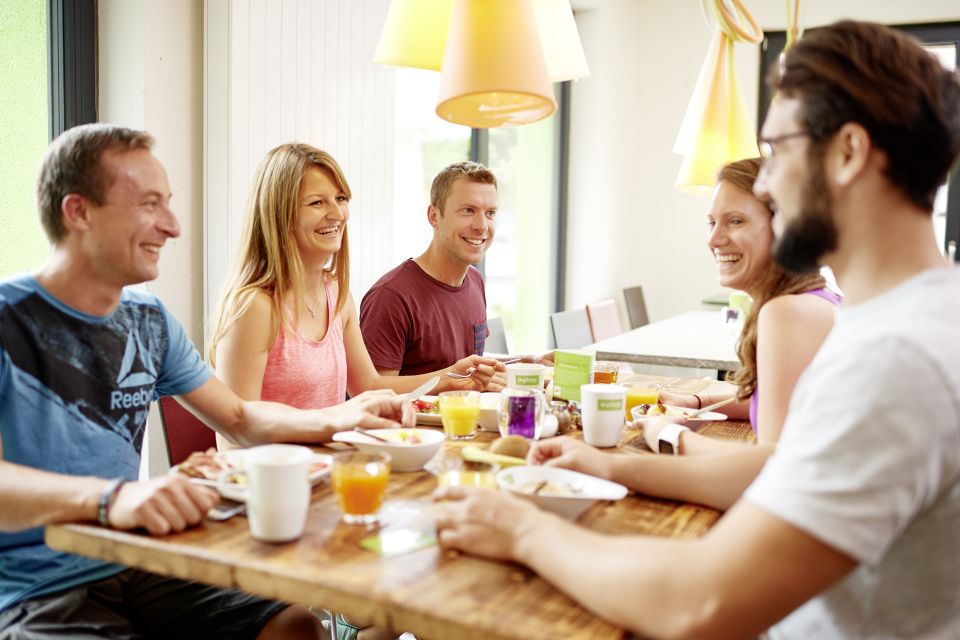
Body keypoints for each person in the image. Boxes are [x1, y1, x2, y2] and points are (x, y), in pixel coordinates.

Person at [434, 20, 960, 639]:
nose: (768, 184)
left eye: (778, 151)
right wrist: (615, 467)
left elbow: (697, 603)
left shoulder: (894, 359)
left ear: (848, 152)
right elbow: (780, 470)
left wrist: (522, 529)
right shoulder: (917, 320)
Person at [0, 124, 413, 638]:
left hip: (133, 556)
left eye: (169, 204)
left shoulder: (148, 320)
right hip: (33, 584)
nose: (172, 226)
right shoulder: (9, 320)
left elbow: (238, 416)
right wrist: (111, 497)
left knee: (297, 627)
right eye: (149, 205)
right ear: (79, 212)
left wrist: (341, 415)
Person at [207, 145, 504, 447]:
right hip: (279, 472)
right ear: (279, 213)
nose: (337, 214)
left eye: (340, 199)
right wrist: (333, 423)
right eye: (317, 202)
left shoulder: (335, 293)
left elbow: (369, 387)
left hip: (333, 465)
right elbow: (233, 437)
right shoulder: (254, 306)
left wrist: (448, 377)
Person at [621, 158, 839, 509]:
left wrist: (668, 434)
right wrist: (696, 402)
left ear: (784, 226)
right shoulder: (816, 299)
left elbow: (773, 472)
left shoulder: (786, 312)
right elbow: (777, 397)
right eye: (712, 222)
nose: (714, 239)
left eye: (735, 221)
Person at [358, 161, 500, 376]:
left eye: (490, 213)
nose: (482, 226)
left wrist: (527, 360)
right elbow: (374, 389)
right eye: (468, 210)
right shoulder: (391, 296)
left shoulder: (475, 280)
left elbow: (467, 364)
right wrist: (451, 380)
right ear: (434, 216)